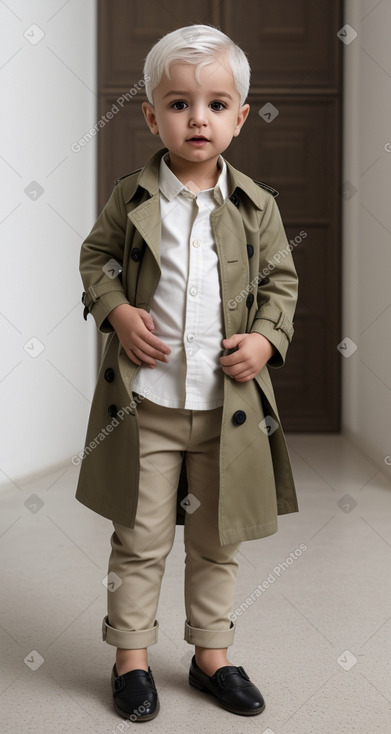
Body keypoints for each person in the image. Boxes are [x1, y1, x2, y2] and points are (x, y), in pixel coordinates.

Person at [75, 23, 299, 722]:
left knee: (216, 539)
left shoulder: (256, 207)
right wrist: (115, 312)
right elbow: (94, 260)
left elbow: (281, 287)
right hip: (146, 407)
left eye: (213, 104)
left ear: (238, 117)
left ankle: (211, 657)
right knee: (139, 539)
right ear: (150, 116)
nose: (195, 118)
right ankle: (131, 659)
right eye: (176, 103)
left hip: (226, 409)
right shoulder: (131, 197)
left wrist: (264, 340)